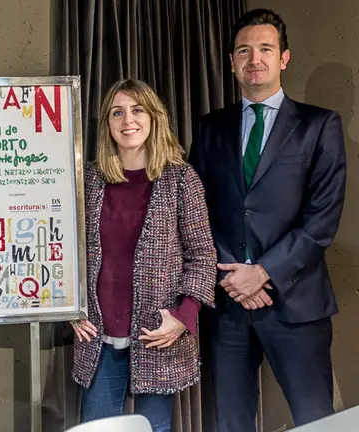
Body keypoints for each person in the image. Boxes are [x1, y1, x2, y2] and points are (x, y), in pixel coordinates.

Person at [188, 8, 347, 431]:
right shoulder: (209, 129)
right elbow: (194, 212)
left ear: (284, 58)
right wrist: (231, 276)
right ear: (232, 61)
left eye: (265, 49)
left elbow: (322, 220)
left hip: (296, 303)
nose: (254, 59)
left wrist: (261, 272)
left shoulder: (320, 125)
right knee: (231, 423)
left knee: (316, 421)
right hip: (228, 305)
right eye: (244, 50)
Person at [71, 79, 216, 432]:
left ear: (154, 118)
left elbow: (203, 255)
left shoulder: (181, 179)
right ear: (107, 123)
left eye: (137, 110)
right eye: (117, 112)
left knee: (154, 427)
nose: (127, 120)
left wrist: (184, 316)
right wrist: (69, 308)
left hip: (157, 333)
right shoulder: (88, 180)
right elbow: (66, 253)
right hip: (98, 337)